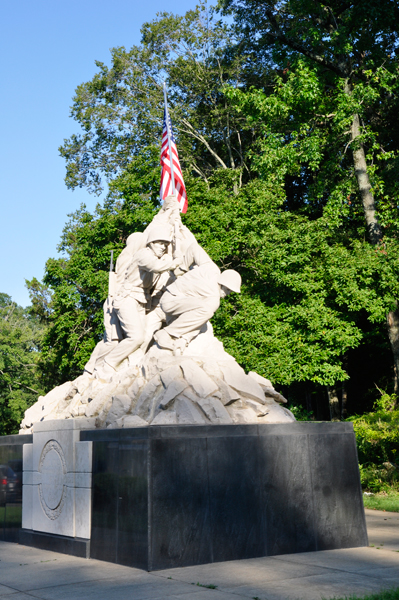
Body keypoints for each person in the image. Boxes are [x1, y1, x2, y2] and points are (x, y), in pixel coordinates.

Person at [95, 226, 183, 377]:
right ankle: (109, 363)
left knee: (142, 340)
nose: (163, 247)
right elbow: (156, 267)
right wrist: (176, 262)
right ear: (151, 243)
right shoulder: (143, 255)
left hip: (141, 301)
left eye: (165, 244)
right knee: (136, 337)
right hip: (127, 298)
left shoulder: (157, 258)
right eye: (160, 243)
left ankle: (128, 367)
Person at [154, 260, 241, 354]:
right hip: (172, 302)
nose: (227, 293)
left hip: (173, 299)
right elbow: (201, 319)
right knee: (207, 312)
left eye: (230, 291)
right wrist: (185, 339)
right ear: (222, 283)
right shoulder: (214, 298)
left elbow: (194, 249)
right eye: (227, 289)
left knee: (204, 319)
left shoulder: (211, 270)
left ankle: (176, 338)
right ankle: (165, 334)